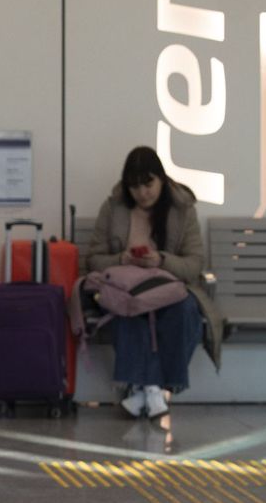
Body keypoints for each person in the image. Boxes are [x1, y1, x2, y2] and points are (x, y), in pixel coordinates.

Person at [85, 146, 221, 418]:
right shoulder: (113, 209)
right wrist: (121, 259)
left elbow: (194, 264)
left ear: (161, 179)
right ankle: (153, 390)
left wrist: (161, 260)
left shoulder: (182, 210)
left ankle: (143, 388)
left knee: (183, 312)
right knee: (128, 309)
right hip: (126, 290)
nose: (142, 193)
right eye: (134, 187)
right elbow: (93, 259)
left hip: (171, 290)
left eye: (148, 184)